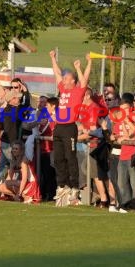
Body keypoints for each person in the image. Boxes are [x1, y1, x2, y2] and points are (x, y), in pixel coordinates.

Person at [49, 50, 91, 206]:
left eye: (67, 78)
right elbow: (57, 73)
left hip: (69, 127)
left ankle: (74, 186)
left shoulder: (78, 91)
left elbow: (84, 80)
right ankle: (62, 185)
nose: (64, 80)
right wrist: (53, 58)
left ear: (73, 81)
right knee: (58, 158)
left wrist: (81, 66)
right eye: (64, 78)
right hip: (59, 127)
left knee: (70, 157)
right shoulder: (63, 90)